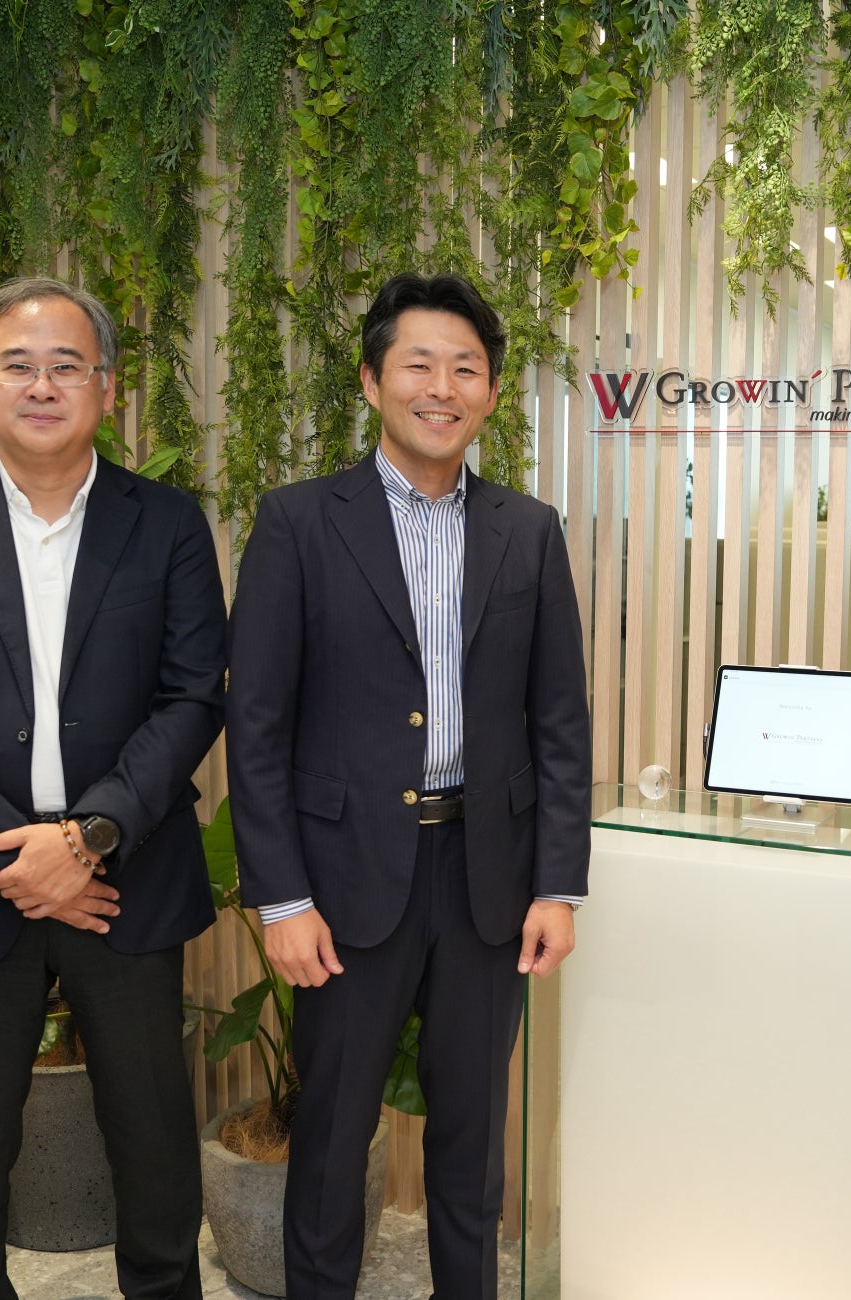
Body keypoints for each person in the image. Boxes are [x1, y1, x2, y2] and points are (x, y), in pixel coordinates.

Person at [0, 276, 227, 1300]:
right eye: (17, 365)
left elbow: (192, 696)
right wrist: (19, 858)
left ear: (108, 387)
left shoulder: (168, 524)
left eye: (69, 365)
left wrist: (87, 836)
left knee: (153, 1137)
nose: (43, 385)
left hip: (126, 880)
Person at [226, 271, 591, 1300]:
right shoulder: (300, 522)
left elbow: (560, 722)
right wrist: (282, 899)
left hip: (487, 877)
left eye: (465, 368)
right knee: (332, 1140)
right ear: (371, 379)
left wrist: (557, 884)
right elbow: (257, 724)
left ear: (491, 392)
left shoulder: (528, 530)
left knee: (472, 1143)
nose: (442, 387)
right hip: (343, 881)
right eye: (419, 364)